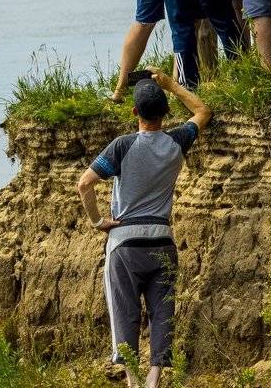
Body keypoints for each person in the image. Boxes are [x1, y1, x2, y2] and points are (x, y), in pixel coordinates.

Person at [77, 70, 211, 388]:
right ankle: (154, 379)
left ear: (134, 111)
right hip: (162, 240)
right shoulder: (177, 142)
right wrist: (172, 84)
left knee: (124, 312)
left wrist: (98, 221)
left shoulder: (122, 146)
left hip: (125, 244)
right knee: (162, 311)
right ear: (165, 112)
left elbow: (84, 184)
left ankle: (133, 382)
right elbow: (203, 111)